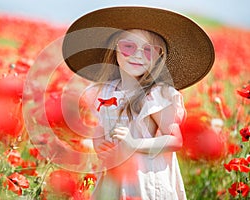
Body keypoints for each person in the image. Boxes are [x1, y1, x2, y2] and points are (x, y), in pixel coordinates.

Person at [62, 6, 215, 200]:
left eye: (148, 50)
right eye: (129, 47)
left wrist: (134, 144)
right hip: (115, 175)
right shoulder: (106, 91)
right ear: (115, 48)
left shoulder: (156, 95)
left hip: (146, 177)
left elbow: (175, 140)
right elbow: (103, 125)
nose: (138, 55)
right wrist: (99, 141)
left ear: (159, 57)